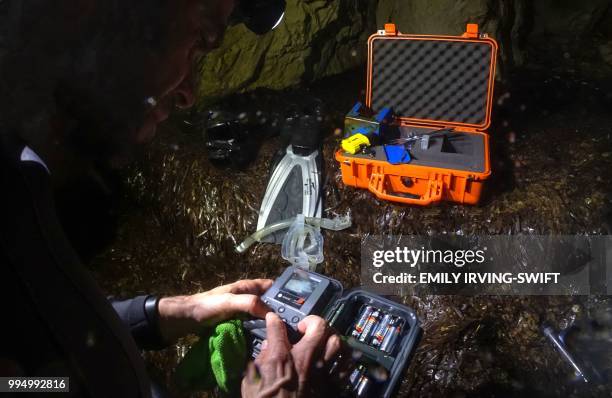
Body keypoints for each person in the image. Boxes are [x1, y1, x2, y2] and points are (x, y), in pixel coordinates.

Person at [0, 0, 341, 397]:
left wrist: (166, 312)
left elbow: (32, 375)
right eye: (200, 39)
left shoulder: (20, 176)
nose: (189, 94)